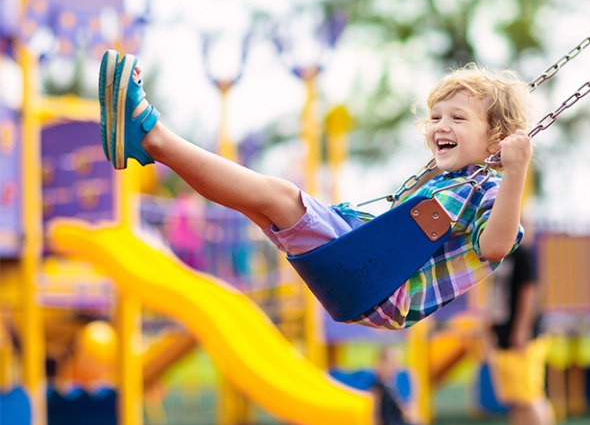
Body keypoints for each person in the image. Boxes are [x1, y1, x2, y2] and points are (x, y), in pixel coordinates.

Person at [98, 49, 534, 330]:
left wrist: (515, 173)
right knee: (256, 202)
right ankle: (146, 145)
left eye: (458, 118)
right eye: (436, 117)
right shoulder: (446, 183)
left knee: (278, 196)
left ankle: (152, 135)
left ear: (497, 140)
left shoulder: (491, 189)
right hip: (363, 269)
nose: (441, 125)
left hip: (380, 285)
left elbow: (495, 246)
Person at [487, 243, 555, 425]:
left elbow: (530, 291)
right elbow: (496, 296)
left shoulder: (522, 254)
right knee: (516, 398)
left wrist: (522, 329)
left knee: (530, 396)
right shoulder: (496, 255)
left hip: (521, 336)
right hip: (503, 333)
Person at [372, 347, 423, 425]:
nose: (394, 365)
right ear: (382, 362)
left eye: (395, 362)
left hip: (398, 417)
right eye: (391, 362)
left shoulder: (396, 379)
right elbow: (377, 407)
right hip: (389, 421)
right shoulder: (379, 384)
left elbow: (409, 395)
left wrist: (409, 409)